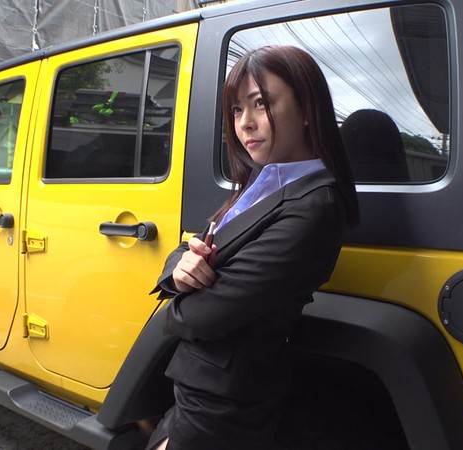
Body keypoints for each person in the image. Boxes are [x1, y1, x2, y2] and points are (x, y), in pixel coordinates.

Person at [147, 45, 359, 450]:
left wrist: (174, 308)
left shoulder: (314, 205)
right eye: (236, 109)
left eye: (261, 103)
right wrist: (180, 270)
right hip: (196, 388)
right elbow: (197, 245)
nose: (245, 122)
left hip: (225, 403)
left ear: (307, 109)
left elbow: (204, 317)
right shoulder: (261, 183)